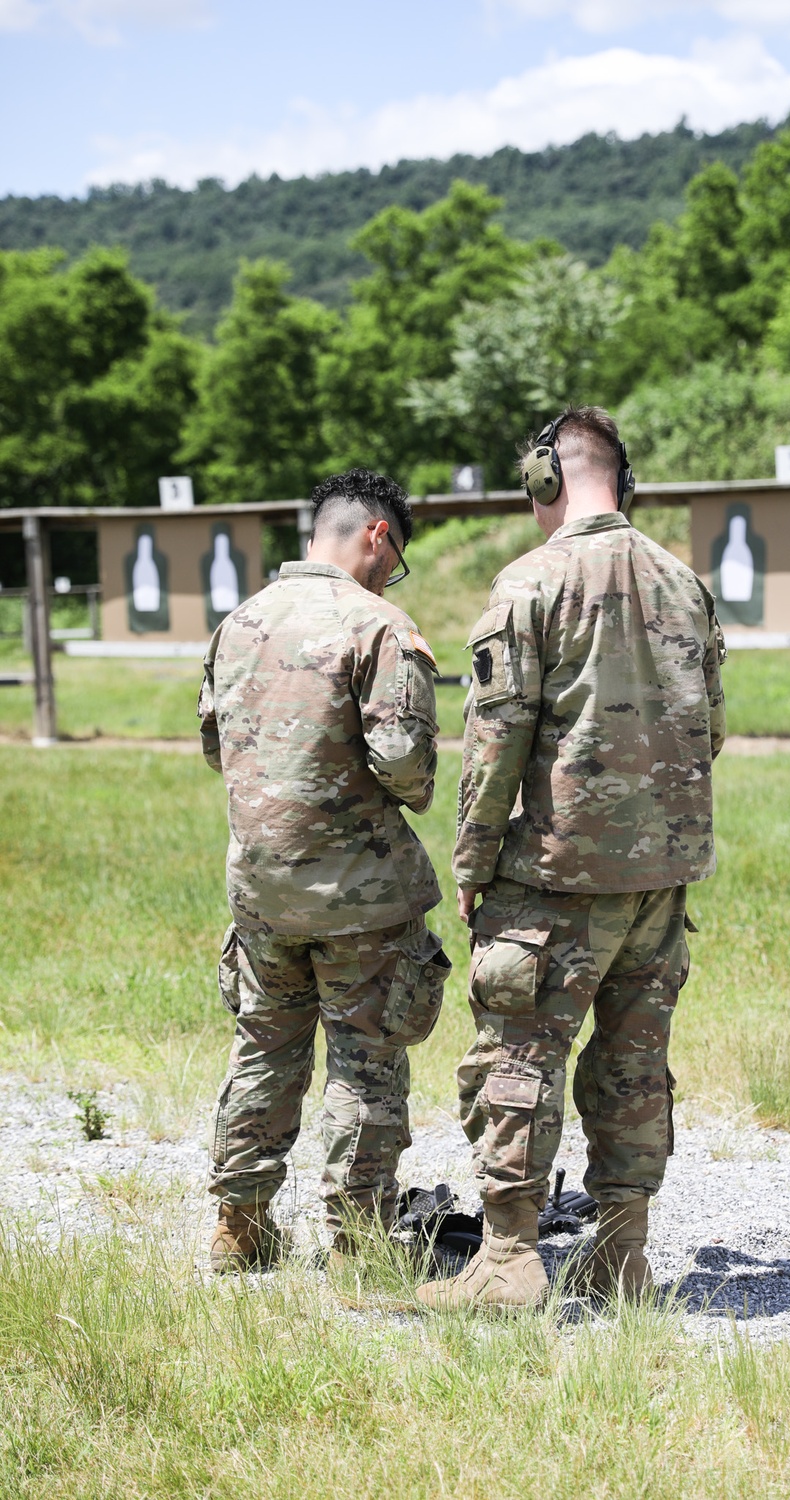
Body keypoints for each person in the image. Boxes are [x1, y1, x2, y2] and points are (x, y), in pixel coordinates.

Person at [416, 408, 726, 1310]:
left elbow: (495, 739)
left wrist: (472, 864)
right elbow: (711, 729)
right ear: (623, 481)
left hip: (554, 876)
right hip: (660, 878)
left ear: (543, 478)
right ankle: (622, 1259)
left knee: (517, 1054)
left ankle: (509, 1264)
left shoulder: (530, 582)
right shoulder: (684, 581)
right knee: (635, 1065)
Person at [198, 469, 450, 1272]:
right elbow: (406, 768)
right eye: (395, 557)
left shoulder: (238, 622)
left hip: (262, 894)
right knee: (366, 1061)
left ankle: (239, 1230)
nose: (390, 573)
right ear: (377, 535)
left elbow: (216, 748)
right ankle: (357, 1242)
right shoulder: (376, 625)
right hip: (358, 900)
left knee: (264, 1050)